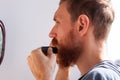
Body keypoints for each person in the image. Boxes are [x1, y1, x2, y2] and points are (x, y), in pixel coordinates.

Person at [27, 0, 120, 80]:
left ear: (81, 25)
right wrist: (63, 64)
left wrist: (43, 76)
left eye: (58, 22)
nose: (51, 33)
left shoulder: (97, 76)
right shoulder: (110, 73)